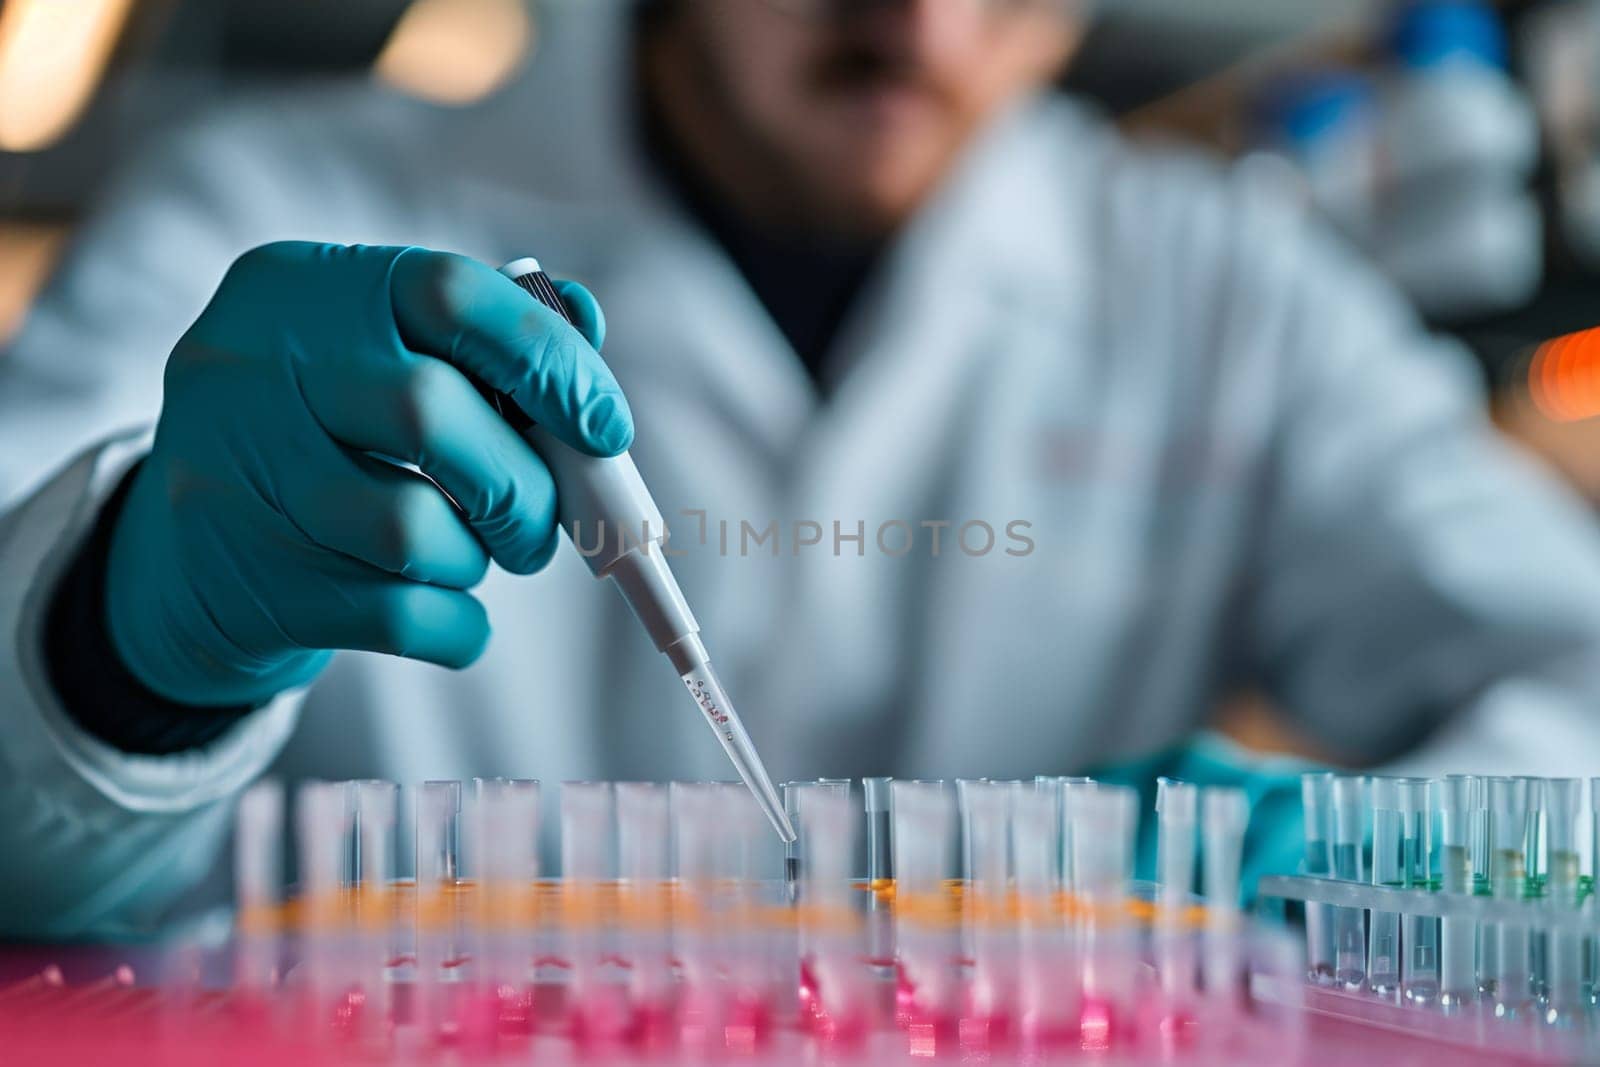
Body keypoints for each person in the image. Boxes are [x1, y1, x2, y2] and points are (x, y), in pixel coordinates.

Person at [3, 0, 1600, 939]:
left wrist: (1379, 868)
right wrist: (119, 652)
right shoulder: (266, 195)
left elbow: (1575, 666)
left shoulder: (1232, 287)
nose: (914, 17)